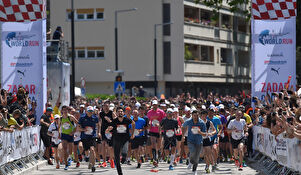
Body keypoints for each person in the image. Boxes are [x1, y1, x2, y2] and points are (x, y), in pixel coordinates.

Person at [106, 107, 135, 175]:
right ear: (116, 113)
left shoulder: (126, 120)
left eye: (121, 111)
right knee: (116, 157)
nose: (120, 113)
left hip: (125, 139)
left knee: (124, 152)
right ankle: (120, 173)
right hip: (116, 139)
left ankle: (124, 158)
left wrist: (132, 134)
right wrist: (108, 130)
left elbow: (133, 123)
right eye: (119, 111)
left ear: (123, 113)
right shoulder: (115, 121)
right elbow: (109, 127)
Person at [182, 110, 207, 175]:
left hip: (199, 141)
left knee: (197, 156)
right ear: (192, 116)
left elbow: (205, 134)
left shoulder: (202, 123)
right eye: (194, 116)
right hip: (190, 140)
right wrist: (183, 135)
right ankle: (191, 159)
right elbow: (183, 126)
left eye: (197, 115)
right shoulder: (189, 121)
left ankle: (194, 169)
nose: (196, 117)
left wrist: (200, 132)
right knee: (193, 151)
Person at [78, 106, 101, 172]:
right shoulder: (82, 117)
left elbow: (98, 124)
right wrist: (83, 129)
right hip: (84, 137)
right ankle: (87, 157)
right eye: (89, 111)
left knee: (92, 149)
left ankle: (93, 165)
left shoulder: (95, 117)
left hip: (92, 136)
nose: (90, 113)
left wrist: (99, 132)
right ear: (86, 111)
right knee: (86, 150)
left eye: (91, 111)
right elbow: (78, 127)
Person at [147, 100, 166, 167]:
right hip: (152, 130)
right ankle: (155, 159)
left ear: (157, 105)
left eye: (156, 105)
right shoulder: (149, 112)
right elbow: (148, 120)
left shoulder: (161, 112)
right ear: (152, 105)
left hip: (159, 130)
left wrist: (160, 126)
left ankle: (158, 154)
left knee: (159, 145)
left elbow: (164, 120)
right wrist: (149, 123)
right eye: (153, 105)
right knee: (153, 144)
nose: (155, 106)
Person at [60, 105, 78, 170]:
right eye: (63, 110)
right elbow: (60, 126)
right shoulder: (61, 118)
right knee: (64, 149)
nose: (64, 111)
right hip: (64, 135)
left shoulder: (71, 117)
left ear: (68, 110)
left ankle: (70, 157)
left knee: (70, 151)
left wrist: (73, 132)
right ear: (62, 111)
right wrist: (59, 134)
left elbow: (78, 124)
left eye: (66, 110)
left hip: (70, 135)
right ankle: (66, 164)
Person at [99, 101, 116, 168]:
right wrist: (99, 132)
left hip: (110, 131)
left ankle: (111, 159)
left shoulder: (112, 113)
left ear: (109, 107)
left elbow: (115, 122)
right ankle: (104, 161)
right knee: (103, 145)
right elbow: (99, 123)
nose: (106, 108)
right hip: (103, 130)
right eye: (104, 106)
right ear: (102, 107)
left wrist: (110, 121)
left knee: (110, 147)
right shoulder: (101, 114)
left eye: (107, 106)